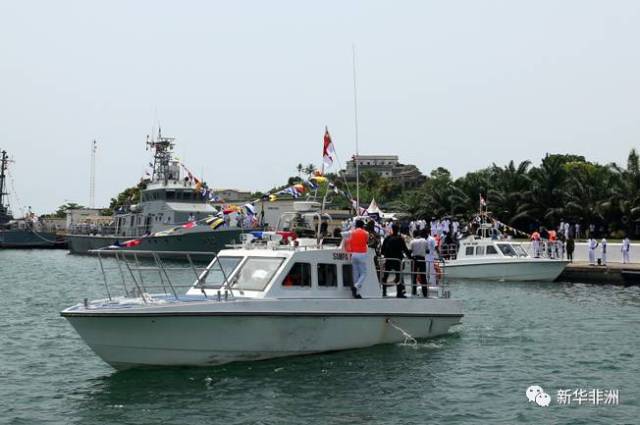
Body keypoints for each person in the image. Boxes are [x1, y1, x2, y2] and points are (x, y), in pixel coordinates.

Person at [380, 224, 411, 298]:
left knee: (385, 276)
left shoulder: (387, 238)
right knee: (399, 276)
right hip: (398, 260)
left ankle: (384, 292)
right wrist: (410, 257)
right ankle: (399, 293)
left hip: (389, 259)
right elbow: (405, 249)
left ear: (392, 229)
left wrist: (386, 255)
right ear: (398, 230)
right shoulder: (400, 238)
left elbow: (382, 250)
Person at [342, 219, 369, 299]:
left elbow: (342, 234)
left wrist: (348, 240)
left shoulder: (352, 232)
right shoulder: (366, 233)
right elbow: (366, 241)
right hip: (362, 254)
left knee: (355, 274)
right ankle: (356, 287)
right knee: (364, 273)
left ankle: (355, 293)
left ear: (356, 225)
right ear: (363, 226)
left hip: (353, 254)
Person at [409, 229, 428, 297]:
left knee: (414, 276)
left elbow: (410, 251)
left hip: (415, 259)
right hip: (422, 259)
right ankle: (425, 293)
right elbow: (427, 251)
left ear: (414, 234)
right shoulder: (424, 241)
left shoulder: (412, 241)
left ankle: (413, 292)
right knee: (423, 277)